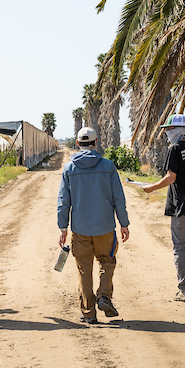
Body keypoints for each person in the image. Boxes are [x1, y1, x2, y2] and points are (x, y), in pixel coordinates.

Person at [57, 126, 131, 324]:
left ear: (78, 143)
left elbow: (63, 201)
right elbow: (118, 198)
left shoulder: (69, 169)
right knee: (107, 261)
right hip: (105, 227)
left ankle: (88, 313)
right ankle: (104, 296)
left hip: (80, 229)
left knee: (84, 268)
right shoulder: (108, 166)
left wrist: (63, 227)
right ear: (96, 142)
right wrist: (124, 223)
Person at [140, 114, 185, 302]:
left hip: (181, 207)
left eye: (168, 129)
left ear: (177, 130)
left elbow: (171, 177)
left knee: (180, 247)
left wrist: (152, 188)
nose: (166, 133)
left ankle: (184, 290)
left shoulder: (175, 149)